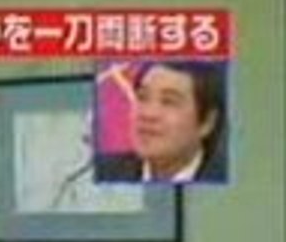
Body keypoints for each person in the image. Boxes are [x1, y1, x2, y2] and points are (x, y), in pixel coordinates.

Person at [94, 61, 227, 184]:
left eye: (169, 102)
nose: (148, 114)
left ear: (207, 123)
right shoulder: (103, 172)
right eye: (142, 97)